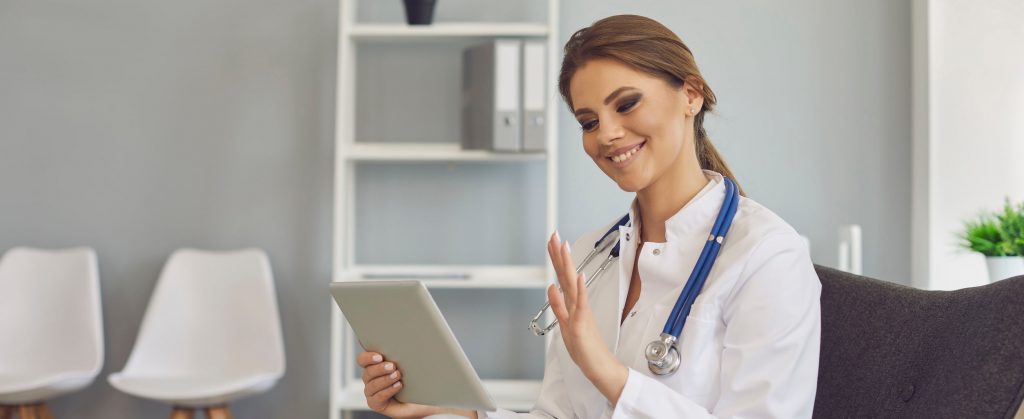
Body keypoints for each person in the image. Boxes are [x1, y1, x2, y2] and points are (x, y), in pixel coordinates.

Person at [357, 14, 821, 418]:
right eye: (589, 122)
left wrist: (607, 372)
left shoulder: (768, 257)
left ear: (691, 95)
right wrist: (457, 411)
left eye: (626, 104)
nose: (609, 134)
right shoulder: (590, 257)